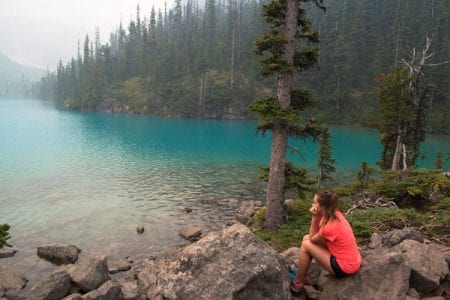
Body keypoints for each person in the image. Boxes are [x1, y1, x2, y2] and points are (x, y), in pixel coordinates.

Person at [291, 190, 362, 292]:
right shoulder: (334, 214)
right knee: (305, 238)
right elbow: (316, 234)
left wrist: (314, 217)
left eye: (315, 203)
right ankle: (302, 274)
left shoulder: (331, 227)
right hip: (351, 259)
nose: (312, 204)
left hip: (345, 267)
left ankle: (298, 282)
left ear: (323, 207)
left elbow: (313, 238)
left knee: (307, 244)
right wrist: (318, 215)